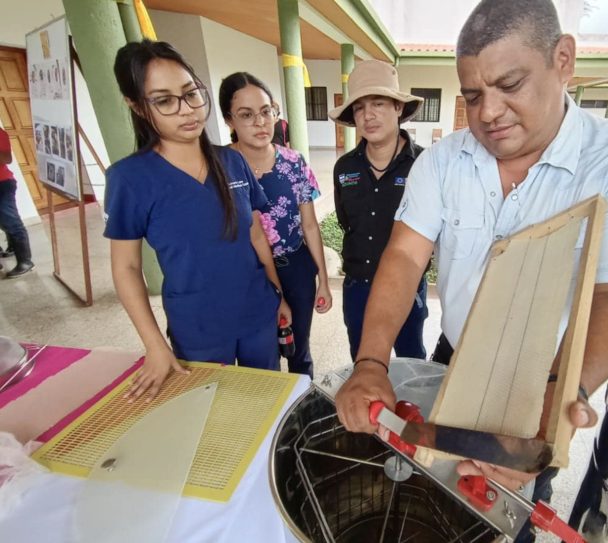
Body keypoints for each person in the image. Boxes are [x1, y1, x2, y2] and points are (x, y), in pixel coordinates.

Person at [334, 1, 608, 541]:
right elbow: (403, 256)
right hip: (455, 357)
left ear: (562, 59)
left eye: (510, 84)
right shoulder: (444, 161)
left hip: (543, 381)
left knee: (504, 511)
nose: (488, 112)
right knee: (439, 493)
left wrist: (556, 406)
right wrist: (371, 359)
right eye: (472, 95)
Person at [105, 40, 290, 401]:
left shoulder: (232, 162)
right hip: (198, 327)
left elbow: (255, 235)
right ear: (137, 106)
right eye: (164, 100)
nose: (186, 110)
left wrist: (277, 294)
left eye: (191, 94)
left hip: (257, 313)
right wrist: (155, 344)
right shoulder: (130, 178)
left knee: (263, 403)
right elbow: (126, 268)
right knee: (211, 413)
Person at [219, 72, 332, 379]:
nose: (260, 122)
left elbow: (309, 225)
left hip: (295, 267)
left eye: (266, 112)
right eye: (246, 115)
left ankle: (300, 415)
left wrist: (322, 277)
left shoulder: (293, 162)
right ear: (229, 120)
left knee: (299, 350)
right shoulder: (218, 166)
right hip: (248, 274)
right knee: (261, 357)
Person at [328, 60, 429, 361]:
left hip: (407, 287)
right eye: (359, 107)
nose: (368, 115)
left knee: (411, 361)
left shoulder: (424, 165)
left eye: (378, 103)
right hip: (358, 287)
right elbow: (348, 222)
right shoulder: (344, 168)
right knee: (364, 363)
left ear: (398, 107)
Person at [0, 127, 35, 279]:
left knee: (11, 222)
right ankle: (10, 248)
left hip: (2, 184)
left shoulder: (0, 134)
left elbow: (7, 159)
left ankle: (25, 261)